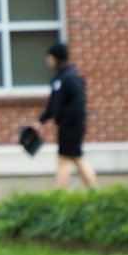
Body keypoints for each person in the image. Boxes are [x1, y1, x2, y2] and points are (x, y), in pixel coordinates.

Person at [38, 42, 98, 190]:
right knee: (76, 158)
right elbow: (53, 105)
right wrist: (41, 121)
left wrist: (64, 119)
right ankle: (94, 191)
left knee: (64, 159)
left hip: (72, 126)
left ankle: (60, 194)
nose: (47, 60)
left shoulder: (71, 78)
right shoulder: (58, 79)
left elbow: (78, 105)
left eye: (50, 57)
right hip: (66, 126)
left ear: (57, 58)